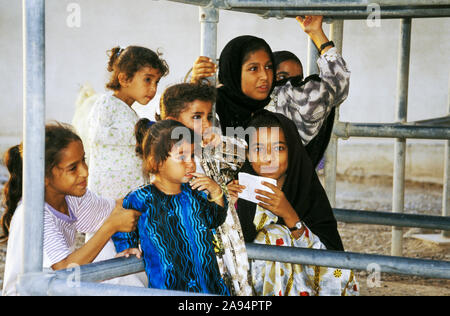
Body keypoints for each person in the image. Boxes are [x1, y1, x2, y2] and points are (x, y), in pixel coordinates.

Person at [1, 122, 141, 296]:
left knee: (111, 252)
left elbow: (116, 209)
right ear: (43, 177)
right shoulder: (34, 215)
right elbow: (65, 269)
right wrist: (111, 227)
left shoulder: (71, 197)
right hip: (33, 292)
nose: (84, 172)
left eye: (84, 160)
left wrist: (153, 195)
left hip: (56, 286)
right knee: (107, 255)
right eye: (73, 168)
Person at [228, 110, 358, 296]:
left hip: (306, 284)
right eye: (258, 149)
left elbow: (334, 262)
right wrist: (228, 208)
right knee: (272, 236)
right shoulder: (238, 190)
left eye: (278, 148)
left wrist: (290, 216)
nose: (267, 157)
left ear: (292, 151)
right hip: (250, 288)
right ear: (248, 154)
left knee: (275, 235)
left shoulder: (306, 191)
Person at [190, 16, 349, 148]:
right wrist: (194, 87)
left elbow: (335, 85)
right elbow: (184, 133)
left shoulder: (284, 101)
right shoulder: (213, 106)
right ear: (233, 72)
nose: (265, 76)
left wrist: (316, 33)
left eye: (269, 67)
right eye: (253, 69)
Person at [154, 82, 252, 296]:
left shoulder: (206, 152)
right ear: (172, 121)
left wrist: (219, 142)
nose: (207, 124)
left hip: (225, 247)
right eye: (197, 117)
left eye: (209, 116)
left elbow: (243, 154)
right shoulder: (164, 162)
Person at [111, 119, 230, 295]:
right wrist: (126, 246)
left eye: (192, 156)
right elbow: (122, 225)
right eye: (181, 156)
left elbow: (215, 219)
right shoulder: (141, 198)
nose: (190, 163)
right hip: (169, 288)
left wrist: (216, 191)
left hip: (210, 286)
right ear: (155, 162)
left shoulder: (195, 193)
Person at [83, 46, 169, 281]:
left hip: (126, 200)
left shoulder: (129, 113)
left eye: (156, 82)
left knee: (129, 263)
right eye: (148, 80)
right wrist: (144, 133)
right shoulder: (105, 105)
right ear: (124, 78)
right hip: (107, 201)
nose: (152, 89)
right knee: (106, 263)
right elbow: (100, 135)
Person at [272, 49, 336, 169]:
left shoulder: (308, 117)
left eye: (297, 81)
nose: (290, 87)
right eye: (282, 78)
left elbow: (334, 84)